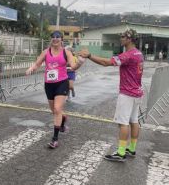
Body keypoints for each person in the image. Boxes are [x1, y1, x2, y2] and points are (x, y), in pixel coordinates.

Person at [78, 29, 143, 162]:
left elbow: (106, 63)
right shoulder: (139, 53)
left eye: (123, 36)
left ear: (129, 39)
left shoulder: (128, 55)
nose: (121, 38)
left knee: (123, 123)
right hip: (137, 92)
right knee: (134, 120)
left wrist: (89, 55)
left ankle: (120, 152)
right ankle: (131, 148)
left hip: (127, 93)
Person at [26, 31, 88, 149]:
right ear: (51, 39)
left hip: (62, 83)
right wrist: (31, 68)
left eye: (57, 37)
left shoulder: (66, 52)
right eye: (53, 37)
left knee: (57, 108)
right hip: (49, 84)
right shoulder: (46, 52)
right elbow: (37, 64)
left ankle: (55, 139)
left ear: (61, 39)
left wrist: (80, 61)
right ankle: (63, 120)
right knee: (55, 112)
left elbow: (73, 66)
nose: (55, 39)